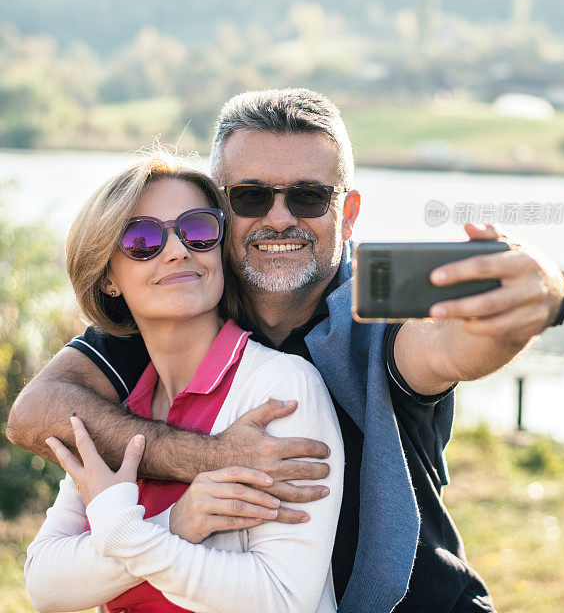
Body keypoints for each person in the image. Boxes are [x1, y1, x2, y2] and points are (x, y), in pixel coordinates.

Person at [9, 89, 564, 613]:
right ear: (221, 208)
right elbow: (36, 414)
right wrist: (210, 459)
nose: (279, 217)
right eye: (252, 195)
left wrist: (536, 294)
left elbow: (453, 347)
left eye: (308, 196)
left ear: (347, 214)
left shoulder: (373, 320)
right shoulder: (175, 311)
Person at [24, 154, 344, 613]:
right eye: (142, 239)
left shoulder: (280, 389)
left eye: (197, 229)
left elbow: (281, 597)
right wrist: (176, 523)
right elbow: (46, 586)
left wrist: (128, 535)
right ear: (108, 277)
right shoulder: (114, 408)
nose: (177, 251)